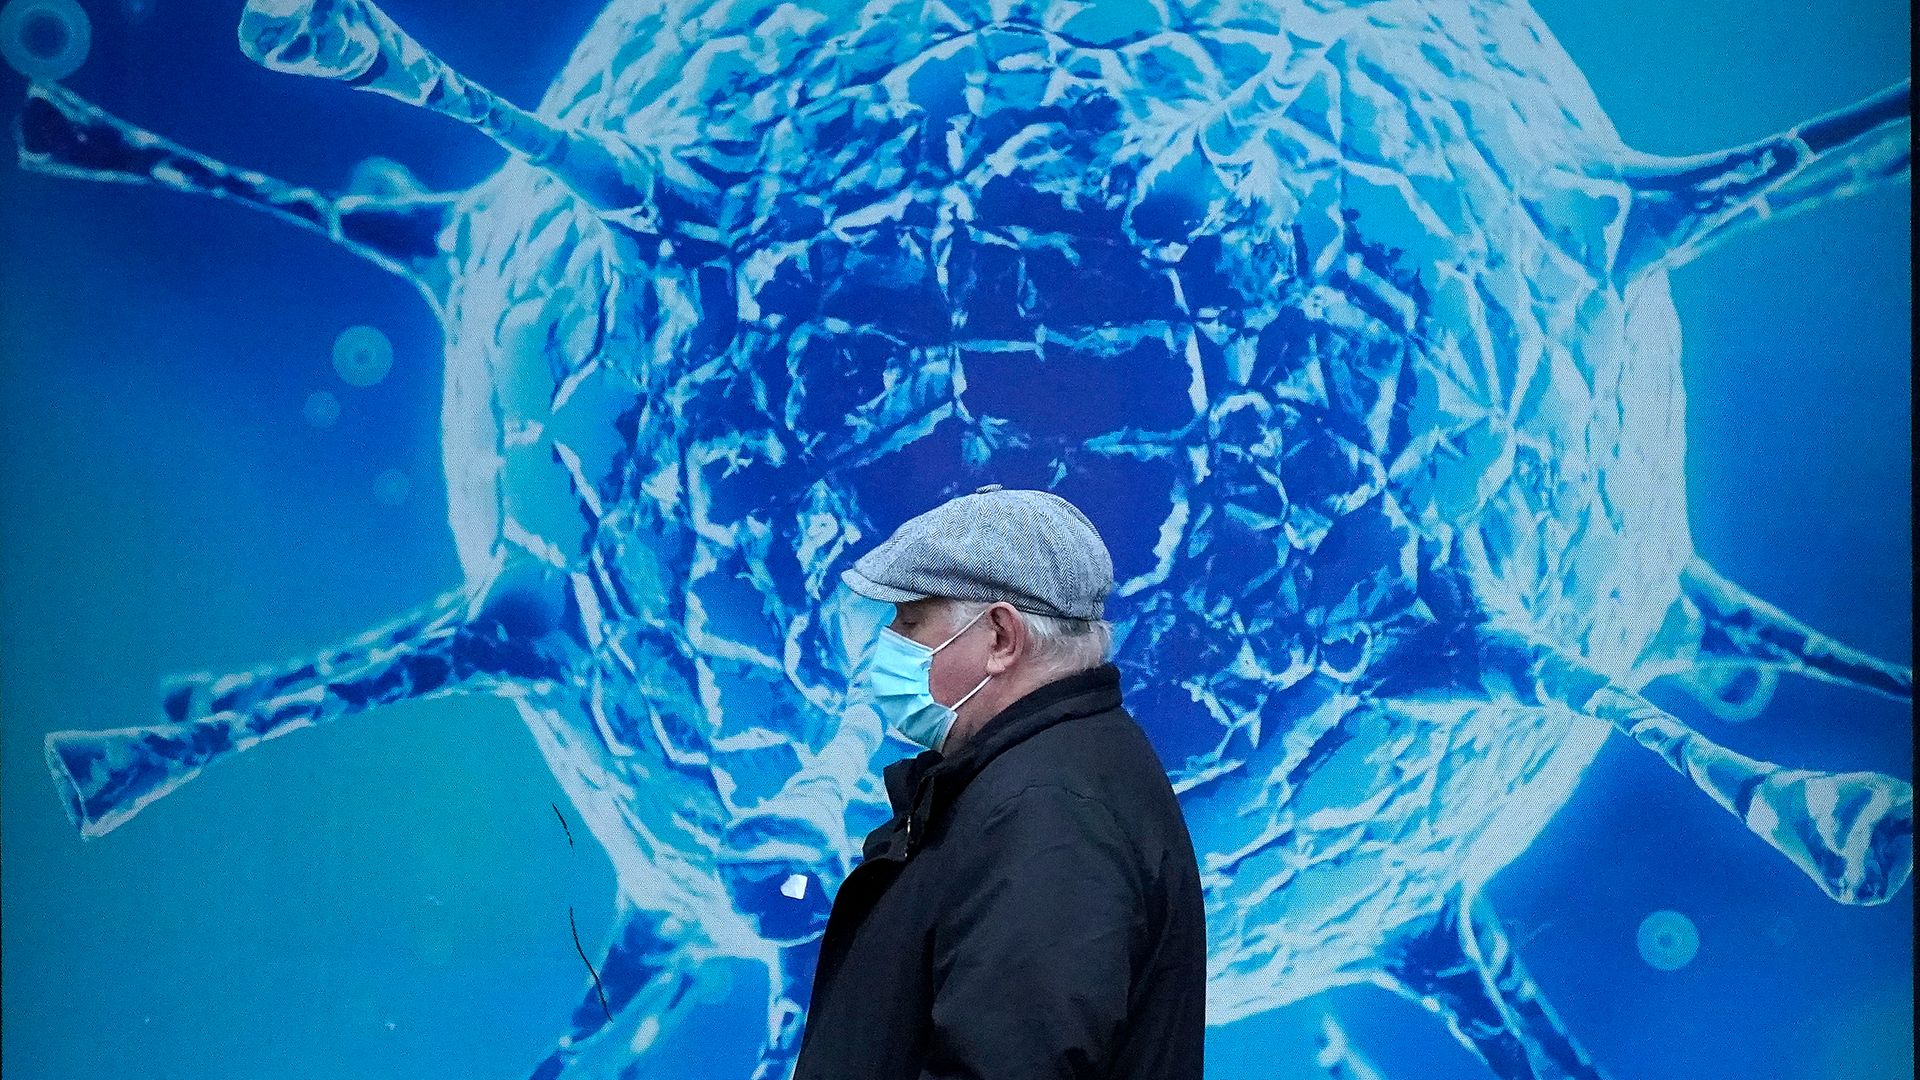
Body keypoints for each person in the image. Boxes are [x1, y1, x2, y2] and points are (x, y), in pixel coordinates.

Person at [791, 484, 1206, 1080]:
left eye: (911, 621)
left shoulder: (1050, 818)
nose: (888, 647)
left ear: (1001, 639)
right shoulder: (1044, 777)